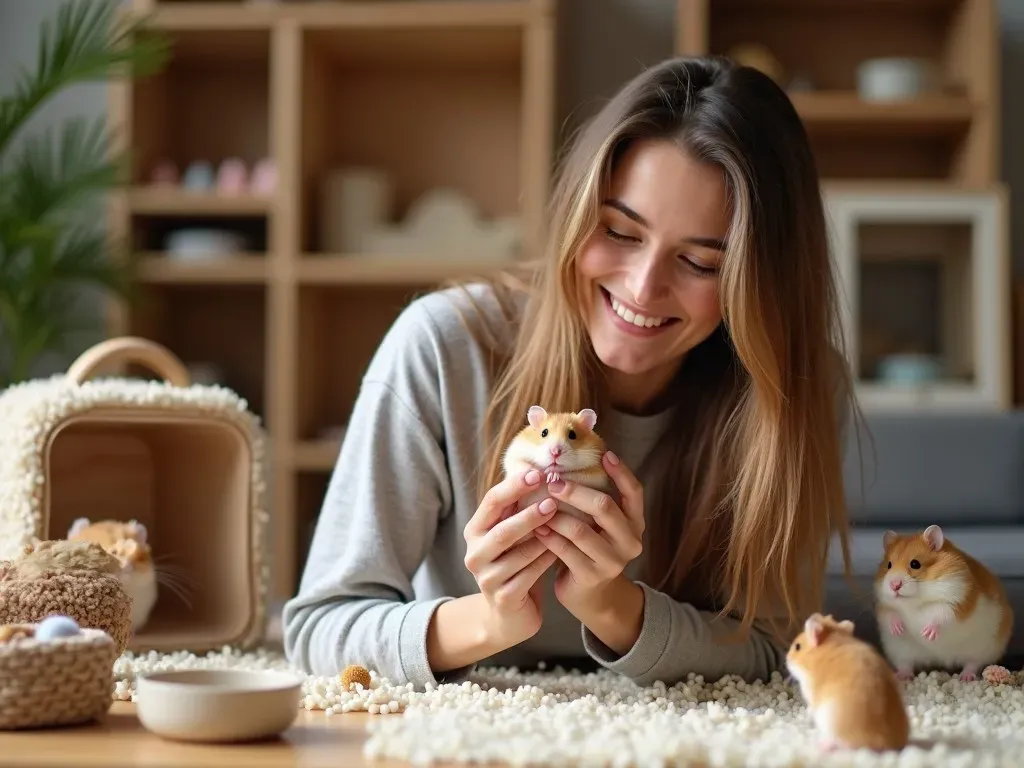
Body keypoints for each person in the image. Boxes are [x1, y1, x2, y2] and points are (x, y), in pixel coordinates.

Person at [282, 55, 857, 689]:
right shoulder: (446, 348)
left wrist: (614, 607)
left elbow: (781, 650)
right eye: (618, 231)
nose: (642, 288)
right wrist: (491, 620)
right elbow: (319, 628)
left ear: (760, 284)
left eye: (700, 263)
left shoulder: (793, 388)